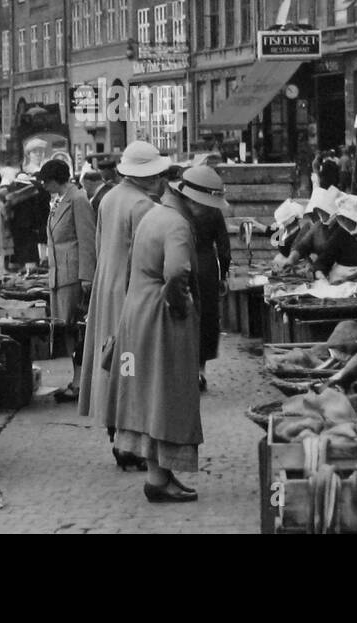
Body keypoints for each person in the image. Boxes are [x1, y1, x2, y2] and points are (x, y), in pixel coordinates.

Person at [110, 163, 228, 503]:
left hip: (140, 313)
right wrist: (179, 307)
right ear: (196, 201)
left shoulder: (155, 214)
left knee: (151, 396)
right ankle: (159, 479)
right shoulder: (177, 224)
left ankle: (158, 475)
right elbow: (176, 272)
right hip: (161, 318)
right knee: (169, 395)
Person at [79, 141, 170, 468]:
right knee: (134, 367)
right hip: (132, 296)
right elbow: (145, 261)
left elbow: (102, 246)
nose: (162, 179)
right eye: (158, 174)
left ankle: (114, 433)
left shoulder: (110, 198)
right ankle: (129, 444)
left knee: (112, 364)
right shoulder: (144, 207)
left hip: (107, 292)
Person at [39, 160, 96, 401]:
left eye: (46, 180)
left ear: (56, 179)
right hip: (59, 274)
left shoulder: (78, 199)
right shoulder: (60, 200)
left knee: (75, 329)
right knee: (66, 331)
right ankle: (75, 380)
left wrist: (86, 276)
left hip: (73, 275)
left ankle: (80, 382)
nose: (43, 185)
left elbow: (87, 239)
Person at [183, 166, 230, 391]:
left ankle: (184, 368)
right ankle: (200, 371)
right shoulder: (214, 211)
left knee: (185, 316)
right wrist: (224, 276)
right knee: (207, 318)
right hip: (208, 267)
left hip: (184, 263)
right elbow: (224, 249)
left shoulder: (181, 209)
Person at [5, 173, 48, 267]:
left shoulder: (15, 195)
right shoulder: (34, 193)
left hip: (20, 225)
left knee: (24, 246)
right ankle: (26, 265)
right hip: (27, 225)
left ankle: (21, 265)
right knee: (27, 246)